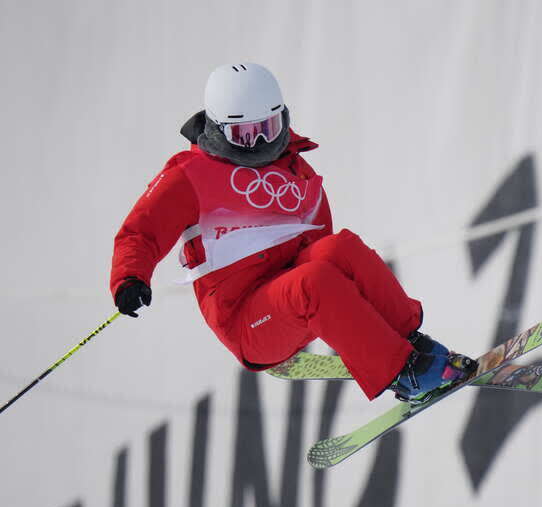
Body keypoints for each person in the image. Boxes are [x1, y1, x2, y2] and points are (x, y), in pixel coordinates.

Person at [110, 62, 473, 403]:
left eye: (265, 130)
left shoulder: (293, 167)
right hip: (245, 319)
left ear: (281, 119)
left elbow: (323, 248)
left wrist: (357, 317)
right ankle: (402, 375)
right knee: (312, 281)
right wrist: (129, 278)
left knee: (341, 247)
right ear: (218, 129)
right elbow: (140, 231)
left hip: (290, 295)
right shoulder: (189, 176)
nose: (258, 145)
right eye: (243, 135)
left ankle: (411, 341)